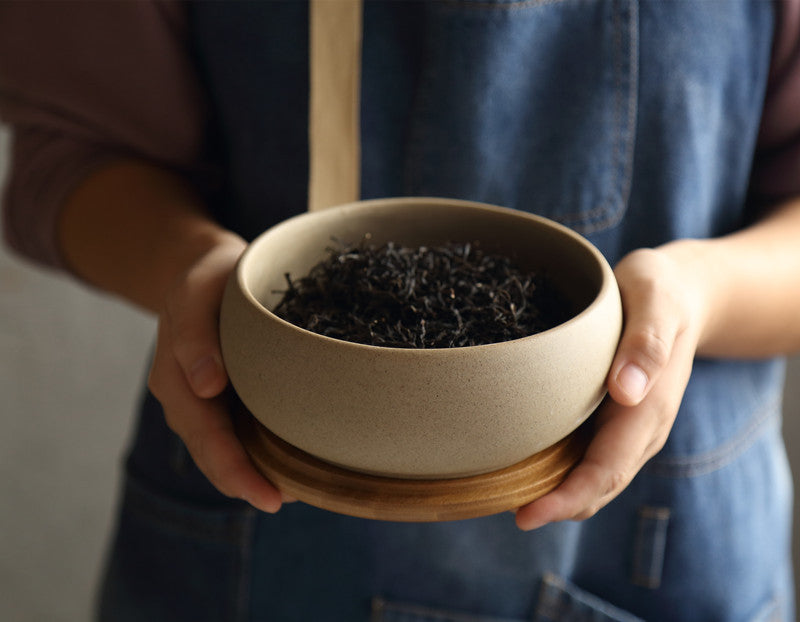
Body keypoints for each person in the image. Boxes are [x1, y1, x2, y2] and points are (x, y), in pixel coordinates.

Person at [2, 1, 800, 620]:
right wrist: (194, 270)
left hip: (654, 543)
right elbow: (74, 147)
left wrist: (696, 293)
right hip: (250, 520)